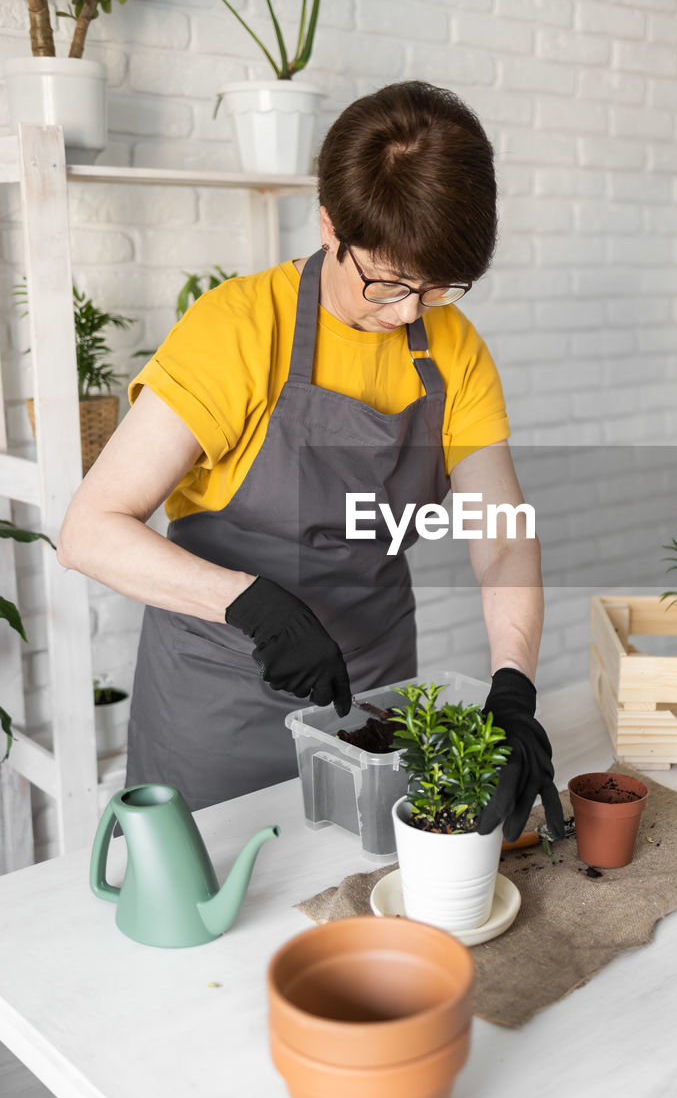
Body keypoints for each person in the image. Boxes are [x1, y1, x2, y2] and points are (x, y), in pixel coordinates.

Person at [57, 80, 564, 845]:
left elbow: (498, 535)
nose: (406, 313)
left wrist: (514, 685)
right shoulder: (236, 330)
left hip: (374, 690)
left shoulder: (453, 350)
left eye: (433, 287)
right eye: (386, 282)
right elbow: (89, 530)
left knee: (357, 898)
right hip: (219, 700)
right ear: (330, 224)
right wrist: (248, 603)